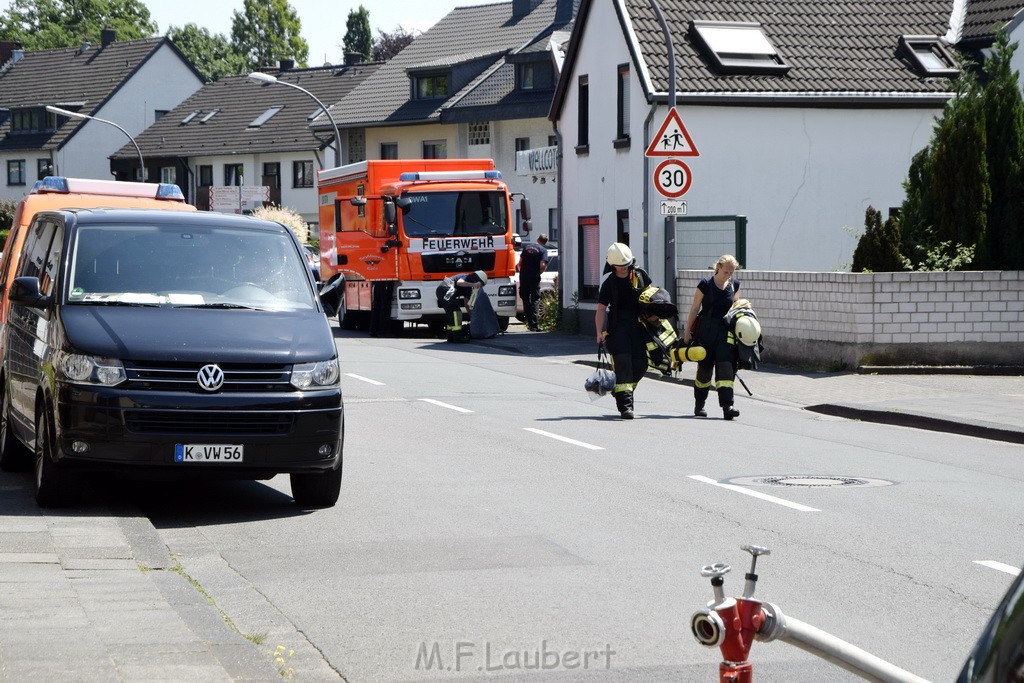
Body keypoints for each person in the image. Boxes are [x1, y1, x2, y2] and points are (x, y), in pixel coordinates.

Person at [594, 243, 650, 419]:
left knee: (641, 364)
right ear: (612, 266)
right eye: (620, 266)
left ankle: (620, 391)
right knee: (623, 364)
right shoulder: (609, 284)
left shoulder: (640, 276)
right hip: (617, 329)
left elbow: (651, 297)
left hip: (638, 328)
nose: (624, 269)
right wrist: (599, 332)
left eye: (627, 265)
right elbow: (601, 309)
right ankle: (626, 407)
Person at [682, 254, 742, 420]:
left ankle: (727, 406)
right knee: (705, 370)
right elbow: (694, 309)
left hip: (725, 334)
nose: (728, 275)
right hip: (705, 332)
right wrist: (687, 333)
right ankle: (699, 404)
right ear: (719, 267)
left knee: (726, 369)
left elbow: (737, 309)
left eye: (731, 272)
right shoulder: (705, 284)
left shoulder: (735, 285)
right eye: (726, 271)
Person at [436, 270, 488, 342]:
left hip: (441, 290)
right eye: (480, 285)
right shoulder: (466, 277)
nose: (479, 287)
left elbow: (466, 304)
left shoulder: (468, 288)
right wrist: (474, 285)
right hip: (445, 290)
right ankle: (458, 337)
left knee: (451, 314)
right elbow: (459, 282)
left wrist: (472, 317)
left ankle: (451, 337)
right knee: (457, 313)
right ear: (477, 279)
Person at [516, 233, 549, 331]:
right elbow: (543, 265)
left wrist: (522, 272)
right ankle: (534, 325)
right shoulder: (543, 250)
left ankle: (529, 323)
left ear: (537, 238)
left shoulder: (526, 247)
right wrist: (540, 271)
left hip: (523, 276)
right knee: (535, 299)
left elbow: (519, 264)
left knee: (525, 298)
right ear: (545, 242)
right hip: (534, 276)